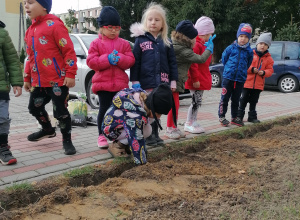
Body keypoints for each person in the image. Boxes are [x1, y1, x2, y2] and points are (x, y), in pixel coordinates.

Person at [23, 0, 77, 155]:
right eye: (24, 2)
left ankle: (67, 140)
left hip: (57, 81)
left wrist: (70, 73)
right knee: (34, 107)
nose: (26, 6)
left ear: (44, 5)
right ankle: (47, 129)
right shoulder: (30, 30)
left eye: (31, 2)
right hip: (39, 82)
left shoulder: (55, 25)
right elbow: (30, 56)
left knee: (60, 111)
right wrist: (27, 77)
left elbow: (68, 51)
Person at [130, 2, 178, 145]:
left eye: (157, 20)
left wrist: (173, 81)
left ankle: (156, 134)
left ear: (162, 24)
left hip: (162, 83)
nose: (153, 22)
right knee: (148, 109)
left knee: (158, 109)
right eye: (150, 19)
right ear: (146, 21)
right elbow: (135, 62)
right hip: (146, 83)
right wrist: (134, 81)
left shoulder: (166, 42)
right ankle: (148, 135)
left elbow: (172, 63)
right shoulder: (140, 40)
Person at [87, 6, 135, 149]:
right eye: (110, 27)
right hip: (102, 85)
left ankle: (118, 135)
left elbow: (130, 60)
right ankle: (101, 135)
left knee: (119, 112)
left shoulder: (124, 44)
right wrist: (107, 59)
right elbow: (91, 62)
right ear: (101, 28)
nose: (113, 30)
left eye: (117, 27)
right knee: (104, 109)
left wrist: (119, 58)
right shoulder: (96, 44)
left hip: (120, 86)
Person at [102, 83, 176, 165]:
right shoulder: (134, 114)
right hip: (111, 130)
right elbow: (136, 137)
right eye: (158, 113)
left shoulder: (144, 101)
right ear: (152, 107)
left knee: (147, 129)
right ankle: (116, 146)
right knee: (139, 132)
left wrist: (143, 152)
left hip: (122, 127)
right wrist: (142, 162)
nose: (158, 117)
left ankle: (126, 145)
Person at [165, 20, 214, 139]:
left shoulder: (178, 46)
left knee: (175, 105)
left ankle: (174, 127)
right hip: (174, 82)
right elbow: (200, 59)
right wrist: (209, 49)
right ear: (188, 37)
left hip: (176, 81)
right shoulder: (182, 49)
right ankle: (169, 129)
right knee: (174, 105)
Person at [218, 23, 253, 127]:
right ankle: (222, 116)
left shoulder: (249, 51)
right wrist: (229, 69)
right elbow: (224, 59)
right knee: (224, 98)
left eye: (246, 37)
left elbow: (248, 63)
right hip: (228, 77)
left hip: (240, 79)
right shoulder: (230, 48)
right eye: (241, 36)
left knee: (236, 99)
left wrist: (241, 71)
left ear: (249, 39)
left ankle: (234, 117)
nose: (243, 39)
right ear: (238, 36)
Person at [184, 16, 215, 134]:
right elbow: (193, 64)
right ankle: (188, 123)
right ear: (205, 33)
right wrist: (195, 79)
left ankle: (193, 121)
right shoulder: (196, 45)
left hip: (201, 78)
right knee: (195, 102)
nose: (211, 36)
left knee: (198, 102)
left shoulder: (204, 45)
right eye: (209, 33)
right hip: (196, 79)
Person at [237, 33, 274, 124]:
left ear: (268, 47)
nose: (263, 46)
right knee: (243, 100)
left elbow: (270, 70)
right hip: (247, 83)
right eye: (261, 43)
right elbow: (244, 65)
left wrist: (264, 72)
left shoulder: (269, 58)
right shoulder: (250, 53)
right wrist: (252, 69)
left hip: (258, 85)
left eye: (265, 45)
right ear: (257, 44)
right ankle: (239, 116)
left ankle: (252, 117)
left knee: (254, 101)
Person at [0, 21, 23, 165]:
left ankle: (3, 147)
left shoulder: (2, 33)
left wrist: (16, 82)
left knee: (2, 118)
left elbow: (13, 60)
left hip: (1, 86)